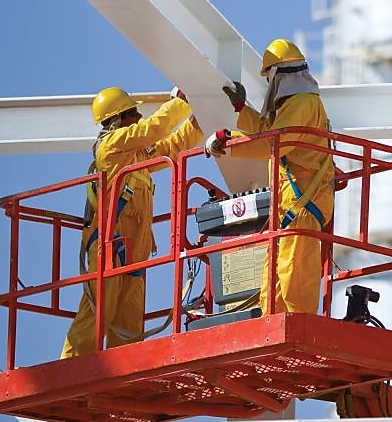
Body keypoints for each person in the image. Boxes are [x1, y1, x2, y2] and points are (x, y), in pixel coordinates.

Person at [60, 87, 202, 358]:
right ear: (117, 119)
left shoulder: (134, 156)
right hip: (108, 249)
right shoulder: (111, 146)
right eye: (132, 112)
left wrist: (197, 125)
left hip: (133, 252)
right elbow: (152, 130)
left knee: (129, 320)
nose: (138, 116)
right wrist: (180, 103)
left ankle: (124, 365)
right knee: (97, 314)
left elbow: (169, 149)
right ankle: (69, 366)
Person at [204, 38, 333, 315]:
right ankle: (274, 325)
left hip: (302, 206)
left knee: (294, 278)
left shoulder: (302, 103)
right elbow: (271, 132)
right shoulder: (296, 104)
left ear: (277, 76)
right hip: (291, 206)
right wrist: (242, 109)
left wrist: (229, 141)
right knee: (273, 285)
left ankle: (301, 328)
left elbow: (274, 143)